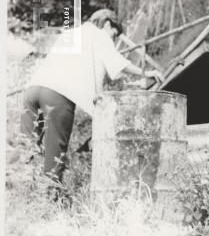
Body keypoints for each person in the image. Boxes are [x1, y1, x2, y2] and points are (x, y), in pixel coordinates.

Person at [20, 9, 163, 183]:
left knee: (26, 148)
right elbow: (116, 63)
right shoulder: (100, 35)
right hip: (56, 96)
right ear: (107, 23)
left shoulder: (71, 33)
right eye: (114, 34)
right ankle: (51, 198)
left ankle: (22, 194)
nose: (113, 38)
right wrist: (148, 73)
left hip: (32, 91)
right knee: (54, 155)